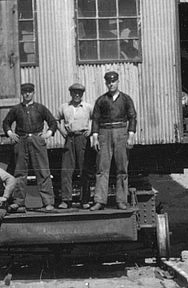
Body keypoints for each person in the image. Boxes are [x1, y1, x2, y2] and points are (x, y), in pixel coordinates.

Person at [1, 82, 58, 212]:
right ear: (22, 93)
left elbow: (53, 122)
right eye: (25, 92)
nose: (27, 94)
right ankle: (18, 202)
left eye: (30, 91)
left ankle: (48, 202)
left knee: (43, 171)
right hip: (22, 140)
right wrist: (10, 133)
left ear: (33, 93)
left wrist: (48, 134)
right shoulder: (16, 109)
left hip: (38, 141)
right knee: (20, 173)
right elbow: (6, 122)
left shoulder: (40, 108)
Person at [88, 71, 138, 211]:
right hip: (104, 134)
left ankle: (121, 201)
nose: (111, 84)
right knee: (102, 168)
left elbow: (132, 117)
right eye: (108, 82)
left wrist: (131, 134)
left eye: (113, 81)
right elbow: (96, 119)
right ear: (105, 83)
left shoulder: (126, 99)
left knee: (122, 168)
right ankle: (99, 200)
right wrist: (95, 136)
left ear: (117, 82)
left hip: (121, 132)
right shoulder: (101, 100)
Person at [56, 81, 93, 208]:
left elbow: (96, 119)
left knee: (84, 169)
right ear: (71, 93)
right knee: (66, 169)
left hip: (83, 138)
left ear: (82, 94)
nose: (77, 95)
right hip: (70, 138)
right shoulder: (64, 107)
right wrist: (62, 131)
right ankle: (66, 200)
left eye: (79, 93)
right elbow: (55, 120)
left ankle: (85, 200)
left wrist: (91, 129)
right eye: (74, 92)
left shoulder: (88, 107)